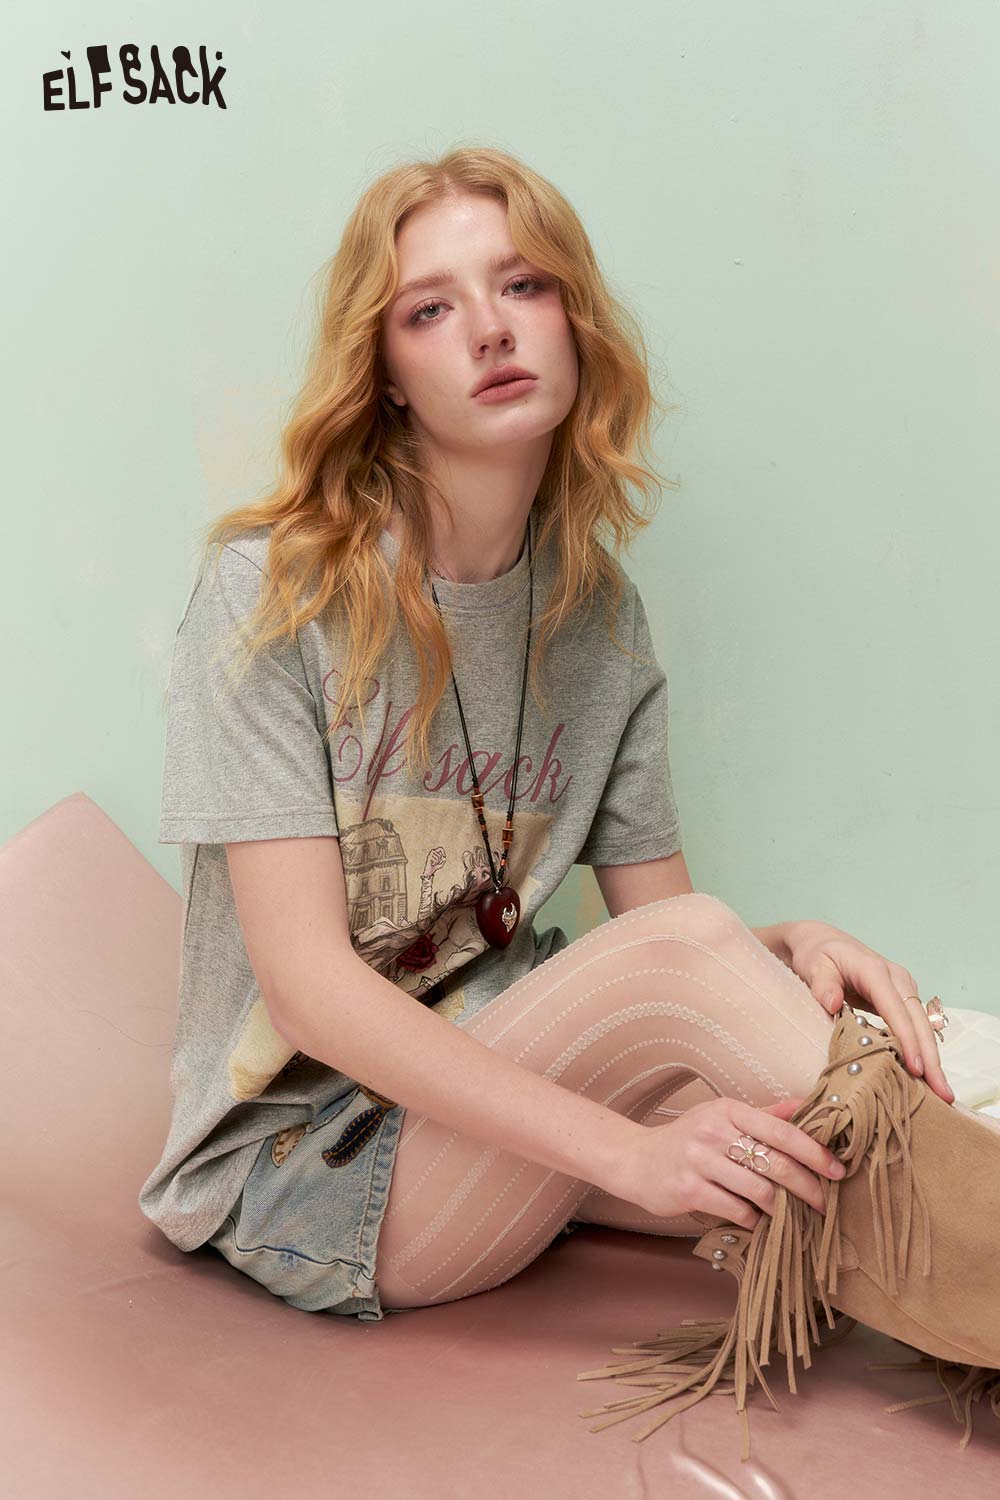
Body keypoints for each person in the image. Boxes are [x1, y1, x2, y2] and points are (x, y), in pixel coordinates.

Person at [139, 146, 950, 1321]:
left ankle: (966, 1235)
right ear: (386, 377)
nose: (490, 329)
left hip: (507, 1109)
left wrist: (792, 948)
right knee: (820, 1113)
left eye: (522, 285)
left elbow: (666, 944)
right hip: (306, 1165)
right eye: (430, 309)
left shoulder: (597, 620)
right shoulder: (272, 597)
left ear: (573, 321)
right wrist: (631, 1156)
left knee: (861, 1097)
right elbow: (308, 990)